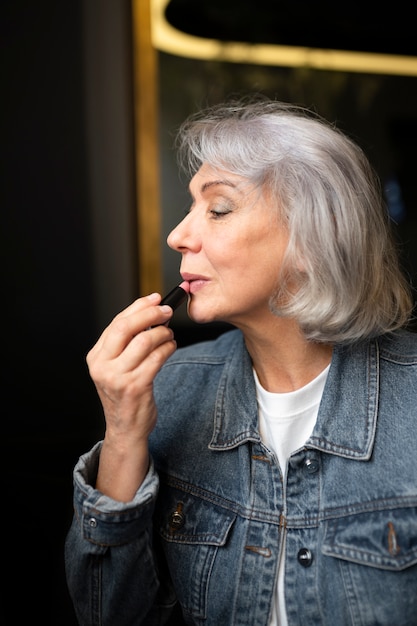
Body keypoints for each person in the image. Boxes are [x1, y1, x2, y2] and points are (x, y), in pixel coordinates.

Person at [65, 97, 417, 626]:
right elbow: (108, 614)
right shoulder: (173, 388)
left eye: (219, 208)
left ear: (314, 236)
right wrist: (122, 432)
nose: (178, 235)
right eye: (191, 207)